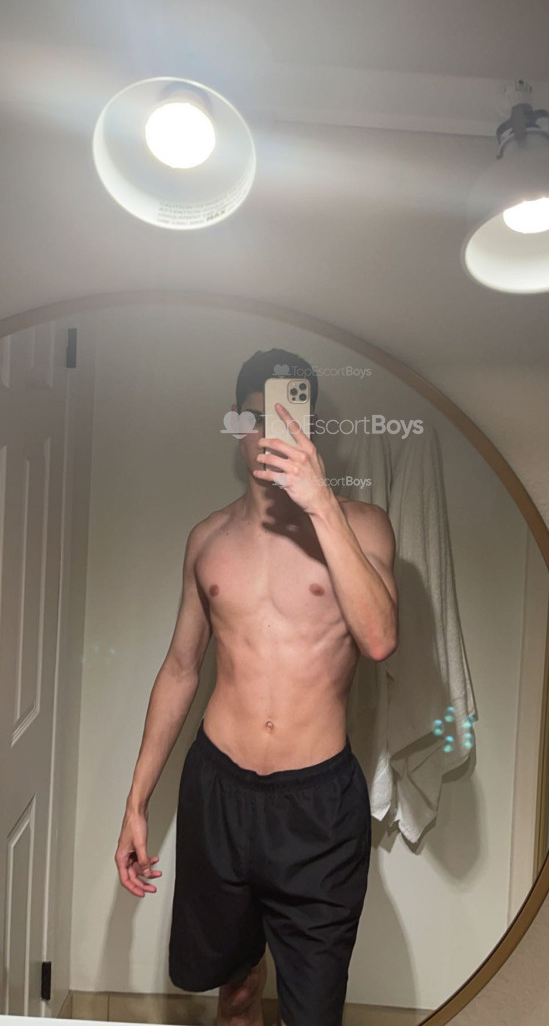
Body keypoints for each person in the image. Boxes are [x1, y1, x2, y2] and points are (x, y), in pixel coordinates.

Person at [115, 348, 398, 1026]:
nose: (269, 433)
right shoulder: (208, 538)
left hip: (317, 806)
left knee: (313, 1012)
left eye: (286, 417)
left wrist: (319, 500)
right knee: (235, 991)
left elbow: (379, 638)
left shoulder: (361, 526)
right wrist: (136, 801)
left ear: (311, 426)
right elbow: (181, 668)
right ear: (236, 424)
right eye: (254, 417)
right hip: (219, 790)